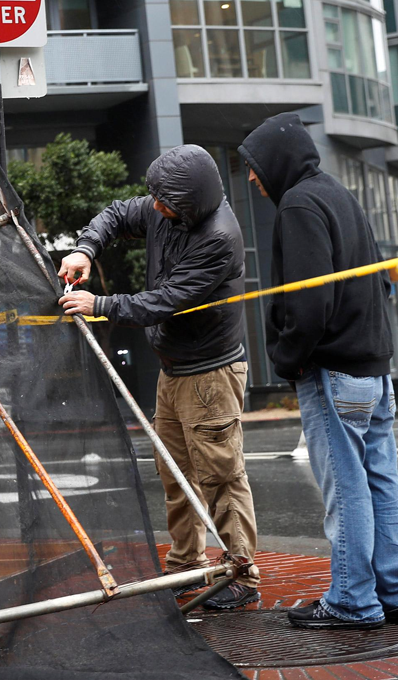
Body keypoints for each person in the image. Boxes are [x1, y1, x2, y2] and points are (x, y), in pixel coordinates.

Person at [238, 112, 398, 630]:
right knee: (380, 483)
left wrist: (289, 357)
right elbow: (378, 283)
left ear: (276, 161)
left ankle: (351, 601)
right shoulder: (341, 195)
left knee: (346, 489)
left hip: (333, 370)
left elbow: (310, 300)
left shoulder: (299, 204)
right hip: (373, 368)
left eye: (254, 167)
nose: (253, 178)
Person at [58, 144, 259, 610]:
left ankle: (243, 577)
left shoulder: (218, 237)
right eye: (155, 199)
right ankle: (186, 565)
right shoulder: (166, 208)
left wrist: (101, 305)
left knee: (220, 478)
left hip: (211, 375)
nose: (155, 208)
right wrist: (86, 248)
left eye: (165, 203)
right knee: (175, 472)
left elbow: (167, 299)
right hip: (175, 370)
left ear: (189, 204)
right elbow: (115, 214)